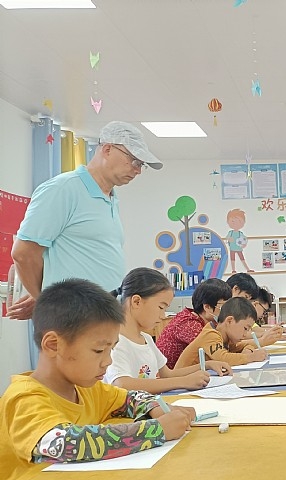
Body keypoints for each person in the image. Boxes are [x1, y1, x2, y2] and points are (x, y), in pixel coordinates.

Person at [0, 279, 194, 480]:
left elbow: (129, 398)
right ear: (53, 345)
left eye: (112, 350)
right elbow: (66, 443)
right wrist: (157, 430)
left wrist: (155, 407)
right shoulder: (24, 398)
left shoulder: (89, 388)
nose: (108, 361)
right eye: (99, 351)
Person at [8, 121, 162, 320]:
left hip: (104, 314)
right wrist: (46, 300)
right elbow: (24, 253)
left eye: (141, 164)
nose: (138, 170)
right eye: (134, 160)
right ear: (107, 149)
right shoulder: (63, 189)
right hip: (73, 317)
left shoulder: (110, 198)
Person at [103, 269, 230, 394]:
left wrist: (207, 365)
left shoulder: (146, 339)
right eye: (161, 307)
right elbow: (122, 384)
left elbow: (168, 374)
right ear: (136, 302)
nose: (163, 315)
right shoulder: (115, 342)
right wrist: (183, 381)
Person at [156, 278, 232, 369]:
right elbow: (216, 354)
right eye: (224, 306)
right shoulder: (189, 324)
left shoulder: (208, 322)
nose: (228, 311)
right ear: (207, 307)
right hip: (170, 375)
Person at [175, 297, 267, 367]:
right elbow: (223, 358)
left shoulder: (226, 337)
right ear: (230, 321)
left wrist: (248, 350)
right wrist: (250, 357)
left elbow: (244, 345)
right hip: (182, 381)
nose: (245, 334)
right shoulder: (210, 334)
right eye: (245, 328)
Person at [225, 208, 253, 274]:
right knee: (232, 259)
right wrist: (229, 239)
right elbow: (227, 238)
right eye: (233, 221)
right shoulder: (230, 232)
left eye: (239, 221)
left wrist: (244, 244)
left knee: (242, 259)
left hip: (238, 248)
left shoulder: (240, 233)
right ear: (228, 222)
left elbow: (245, 239)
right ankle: (233, 270)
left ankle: (247, 269)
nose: (236, 223)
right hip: (232, 248)